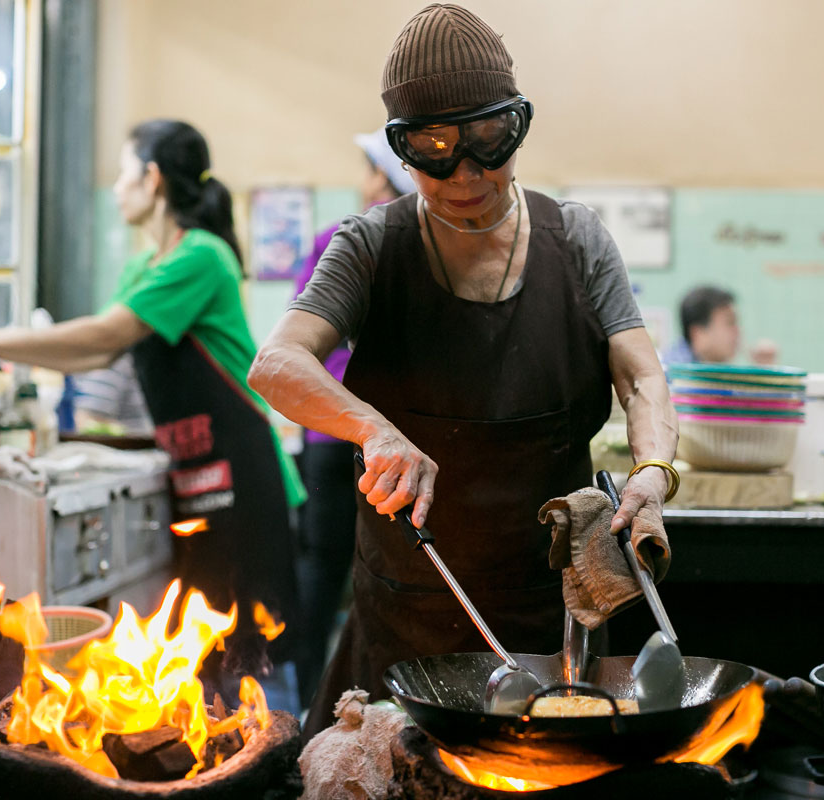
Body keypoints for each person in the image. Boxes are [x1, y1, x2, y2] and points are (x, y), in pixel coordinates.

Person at [248, 4, 678, 736]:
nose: (467, 174)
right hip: (404, 619)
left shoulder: (575, 241)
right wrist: (373, 429)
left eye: (489, 143)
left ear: (516, 126)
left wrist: (653, 472)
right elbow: (276, 365)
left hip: (553, 627)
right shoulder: (371, 247)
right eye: (434, 150)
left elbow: (640, 377)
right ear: (401, 150)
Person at [0, 119, 306, 673]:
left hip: (243, 480)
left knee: (251, 659)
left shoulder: (202, 256)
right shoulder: (140, 267)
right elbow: (93, 354)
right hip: (194, 475)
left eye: (125, 172)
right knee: (204, 655)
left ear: (152, 179)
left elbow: (107, 335)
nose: (117, 187)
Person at [290, 127, 415, 707]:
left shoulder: (338, 239)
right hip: (384, 435)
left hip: (327, 427)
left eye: (372, 170)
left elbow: (302, 338)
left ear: (387, 179)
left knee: (322, 568)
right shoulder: (421, 251)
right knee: (381, 572)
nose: (364, 182)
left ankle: (313, 694)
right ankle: (376, 695)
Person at [661, 285, 777, 366]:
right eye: (729, 323)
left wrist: (765, 370)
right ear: (699, 334)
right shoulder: (673, 379)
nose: (738, 330)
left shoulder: (710, 369)